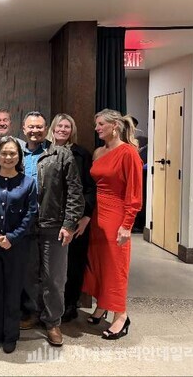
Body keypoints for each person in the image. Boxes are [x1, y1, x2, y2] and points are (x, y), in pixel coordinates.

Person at [19, 111, 84, 347]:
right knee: (29, 276)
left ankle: (53, 322)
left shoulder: (61, 154)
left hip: (53, 225)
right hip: (24, 226)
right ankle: (34, 313)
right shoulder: (16, 154)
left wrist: (69, 224)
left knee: (54, 278)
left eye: (39, 127)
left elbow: (75, 191)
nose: (35, 131)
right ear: (23, 129)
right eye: (31, 127)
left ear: (46, 129)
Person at [82, 109, 143, 340]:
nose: (96, 128)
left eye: (100, 124)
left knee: (116, 267)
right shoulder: (99, 151)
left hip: (116, 215)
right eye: (96, 124)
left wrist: (127, 225)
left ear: (114, 126)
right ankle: (102, 305)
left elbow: (134, 193)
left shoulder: (128, 153)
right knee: (99, 264)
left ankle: (121, 316)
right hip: (97, 215)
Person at [0, 136, 38, 353]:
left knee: (13, 290)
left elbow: (30, 213)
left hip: (17, 245)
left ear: (19, 156)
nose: (8, 157)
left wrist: (12, 237)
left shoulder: (28, 183)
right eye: (4, 153)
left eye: (13, 153)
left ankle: (11, 334)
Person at [46, 114, 96, 322]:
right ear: (53, 128)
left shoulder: (81, 154)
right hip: (49, 217)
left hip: (75, 219)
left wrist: (85, 217)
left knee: (73, 263)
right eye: (60, 125)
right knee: (49, 266)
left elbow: (90, 188)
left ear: (72, 130)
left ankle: (70, 304)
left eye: (67, 126)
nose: (63, 129)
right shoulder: (44, 151)